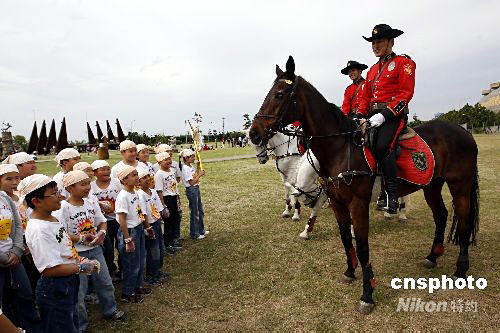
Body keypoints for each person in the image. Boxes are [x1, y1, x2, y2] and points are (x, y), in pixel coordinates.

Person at [20, 174, 99, 333]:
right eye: (54, 194)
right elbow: (49, 269)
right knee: (60, 325)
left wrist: (78, 256)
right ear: (36, 201)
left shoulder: (51, 219)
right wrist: (82, 267)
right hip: (55, 286)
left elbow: (63, 243)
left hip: (67, 280)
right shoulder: (39, 230)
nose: (61, 196)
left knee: (70, 319)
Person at [55, 170, 125, 331]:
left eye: (88, 183)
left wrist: (101, 233)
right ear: (70, 188)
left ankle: (110, 310)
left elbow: (102, 221)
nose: (88, 187)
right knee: (80, 291)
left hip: (95, 250)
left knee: (105, 282)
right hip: (76, 255)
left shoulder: (91, 202)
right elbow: (62, 233)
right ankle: (81, 325)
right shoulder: (63, 208)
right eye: (83, 184)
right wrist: (80, 238)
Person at [357, 24, 416, 214]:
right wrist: (359, 115)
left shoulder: (404, 63)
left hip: (393, 116)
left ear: (391, 41)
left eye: (379, 42)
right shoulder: (372, 71)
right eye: (373, 43)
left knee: (382, 146)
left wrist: (385, 115)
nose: (375, 46)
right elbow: (365, 97)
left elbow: (405, 94)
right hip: (373, 116)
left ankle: (391, 193)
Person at [0, 164, 40, 332]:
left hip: (14, 256)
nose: (14, 182)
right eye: (8, 179)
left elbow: (17, 225)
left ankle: (31, 327)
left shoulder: (5, 198)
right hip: (3, 258)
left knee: (24, 293)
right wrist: (3, 257)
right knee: (3, 300)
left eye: (16, 178)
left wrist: (16, 250)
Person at [114, 165, 153, 303]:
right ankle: (127, 292)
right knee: (131, 263)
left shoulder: (134, 193)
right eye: (134, 175)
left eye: (137, 174)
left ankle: (138, 286)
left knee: (141, 260)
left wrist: (146, 227)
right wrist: (127, 239)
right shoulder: (123, 196)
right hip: (130, 232)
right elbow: (122, 220)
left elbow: (139, 212)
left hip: (138, 229)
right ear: (124, 180)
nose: (137, 178)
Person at [90, 160, 122, 282]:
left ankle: (123, 270)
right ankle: (110, 271)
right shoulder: (92, 186)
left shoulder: (116, 183)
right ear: (95, 173)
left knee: (121, 246)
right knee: (107, 249)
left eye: (108, 168)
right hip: (102, 223)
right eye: (102, 169)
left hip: (117, 219)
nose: (106, 171)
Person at [137, 168, 166, 286]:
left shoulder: (153, 192)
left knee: (160, 248)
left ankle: (158, 271)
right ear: (138, 182)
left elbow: (158, 208)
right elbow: (143, 213)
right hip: (149, 225)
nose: (148, 179)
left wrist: (160, 220)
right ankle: (151, 275)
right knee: (152, 250)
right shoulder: (140, 195)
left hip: (157, 222)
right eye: (144, 178)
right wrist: (148, 227)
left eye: (148, 176)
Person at [154, 152, 182, 253]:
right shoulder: (159, 175)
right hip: (166, 199)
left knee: (174, 219)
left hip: (174, 197)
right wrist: (163, 205)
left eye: (169, 159)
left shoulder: (171, 171)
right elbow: (159, 191)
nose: (168, 161)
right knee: (167, 222)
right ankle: (167, 244)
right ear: (159, 162)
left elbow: (174, 186)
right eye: (165, 160)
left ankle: (173, 241)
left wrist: (177, 197)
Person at [179, 149, 208, 240]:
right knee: (195, 212)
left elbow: (195, 175)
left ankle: (201, 230)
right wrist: (200, 175)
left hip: (196, 188)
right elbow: (191, 182)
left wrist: (198, 166)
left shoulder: (190, 166)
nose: (193, 158)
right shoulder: (185, 168)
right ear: (186, 158)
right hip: (191, 190)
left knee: (200, 210)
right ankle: (194, 233)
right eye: (192, 157)